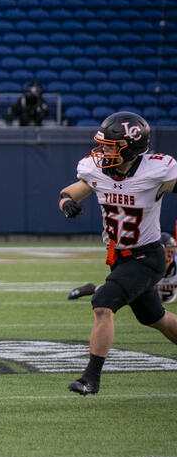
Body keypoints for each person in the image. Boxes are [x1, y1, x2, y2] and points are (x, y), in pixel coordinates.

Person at [58, 112, 177, 396]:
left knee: (103, 303)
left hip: (147, 257)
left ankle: (90, 379)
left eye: (110, 146)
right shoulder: (96, 170)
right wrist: (67, 204)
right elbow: (68, 192)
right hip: (120, 258)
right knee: (156, 318)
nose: (102, 151)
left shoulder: (155, 172)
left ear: (130, 148)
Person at [69, 233, 177, 304]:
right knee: (117, 291)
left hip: (161, 300)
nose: (169, 257)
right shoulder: (149, 264)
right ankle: (91, 288)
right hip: (145, 294)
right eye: (167, 252)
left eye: (172, 252)